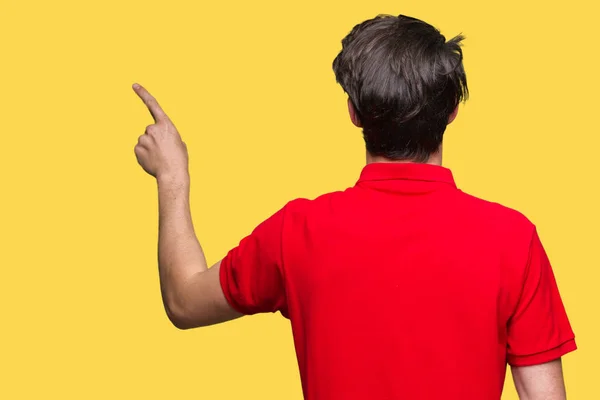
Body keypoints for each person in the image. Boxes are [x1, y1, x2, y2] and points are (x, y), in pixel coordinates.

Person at [132, 14, 576, 400]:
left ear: (354, 113)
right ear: (453, 111)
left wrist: (173, 176)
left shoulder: (298, 231)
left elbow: (184, 302)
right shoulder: (512, 238)